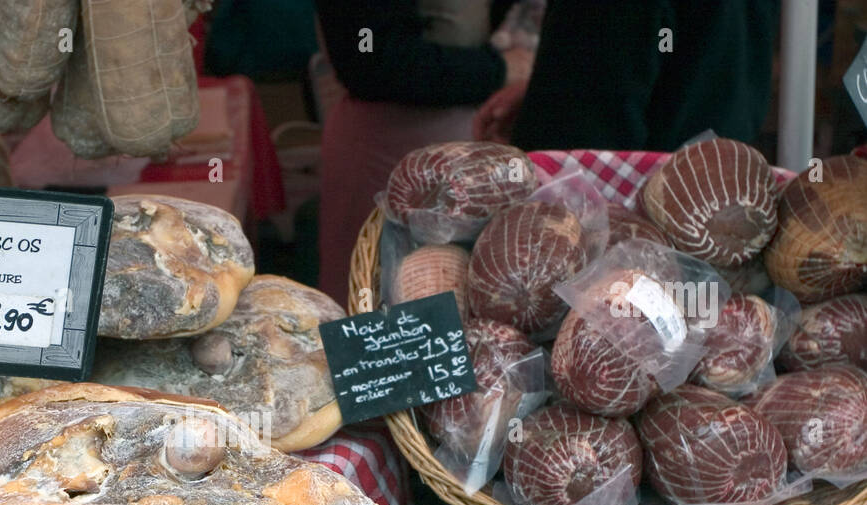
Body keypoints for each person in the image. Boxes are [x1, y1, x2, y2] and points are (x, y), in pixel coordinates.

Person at [314, 0, 532, 304]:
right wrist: (502, 68)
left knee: (468, 305)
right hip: (387, 148)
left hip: (476, 144)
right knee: (380, 306)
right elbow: (368, 58)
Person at [474, 0, 780, 150]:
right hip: (721, 195)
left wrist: (556, 98)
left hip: (638, 234)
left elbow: (579, 137)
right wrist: (548, 91)